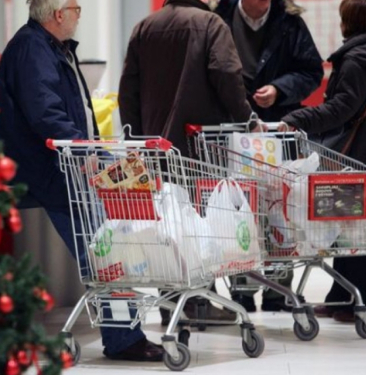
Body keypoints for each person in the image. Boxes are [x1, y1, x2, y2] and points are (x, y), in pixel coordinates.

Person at [0, 0, 164, 362]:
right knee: (104, 252)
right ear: (58, 14)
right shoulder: (32, 49)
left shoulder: (49, 47)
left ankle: (124, 334)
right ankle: (124, 339)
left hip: (63, 168)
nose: (79, 14)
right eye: (76, 7)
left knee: (104, 249)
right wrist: (85, 153)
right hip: (54, 172)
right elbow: (46, 112)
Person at [118, 0, 255, 325]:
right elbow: (226, 73)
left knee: (170, 224)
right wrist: (245, 117)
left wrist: (137, 140)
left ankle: (171, 302)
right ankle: (199, 303)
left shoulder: (144, 28)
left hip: (156, 146)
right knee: (199, 224)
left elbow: (128, 90)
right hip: (198, 145)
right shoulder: (210, 24)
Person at [215, 0, 324, 312]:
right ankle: (242, 290)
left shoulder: (290, 23)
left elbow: (311, 71)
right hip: (231, 132)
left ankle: (279, 290)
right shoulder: (217, 18)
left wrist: (279, 88)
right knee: (239, 210)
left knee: (281, 207)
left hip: (278, 129)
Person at [278, 0, 366, 323]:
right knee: (350, 227)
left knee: (352, 229)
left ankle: (351, 299)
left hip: (356, 157)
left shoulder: (357, 58)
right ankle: (341, 296)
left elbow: (342, 108)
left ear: (348, 22)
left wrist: (297, 118)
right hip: (357, 155)